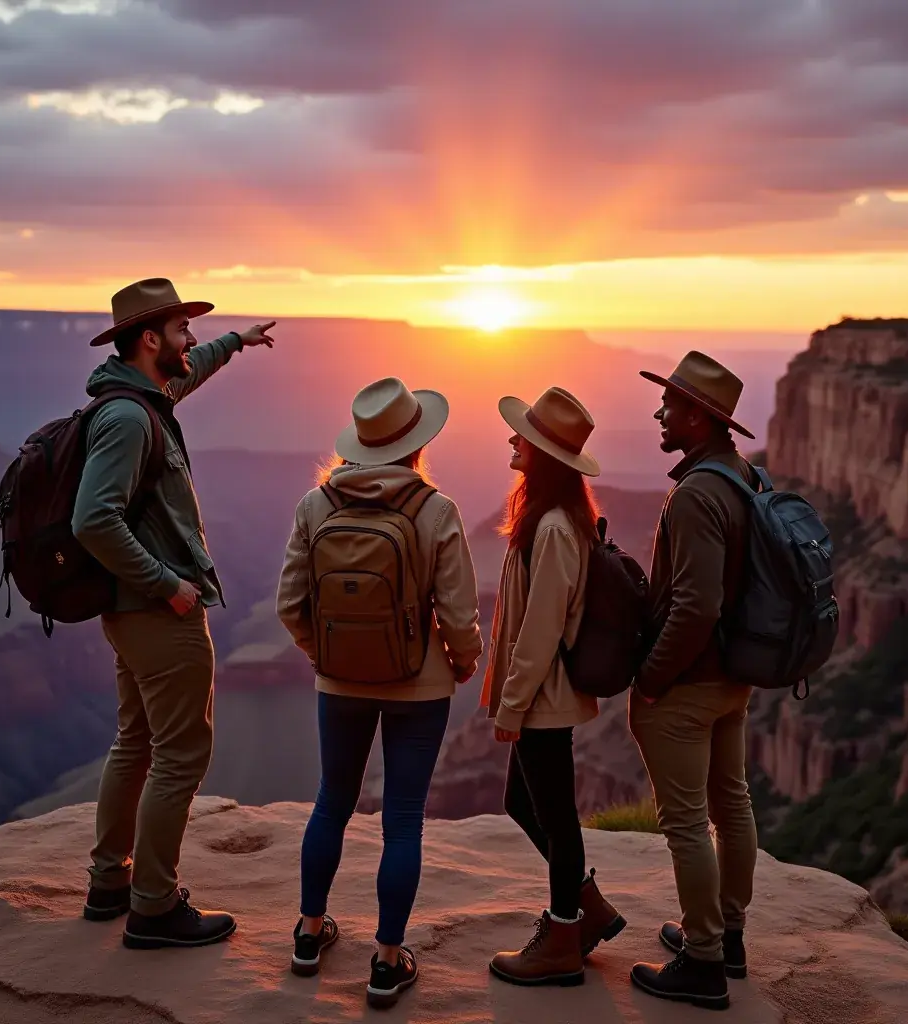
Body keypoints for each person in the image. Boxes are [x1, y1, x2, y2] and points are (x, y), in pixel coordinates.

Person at [74, 277, 277, 949]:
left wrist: (236, 342)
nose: (191, 339)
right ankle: (154, 907)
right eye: (182, 330)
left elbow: (189, 373)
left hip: (132, 612)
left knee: (135, 741)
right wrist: (168, 585)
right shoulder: (131, 419)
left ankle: (110, 882)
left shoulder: (140, 397)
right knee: (181, 755)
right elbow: (92, 520)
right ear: (149, 339)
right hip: (159, 612)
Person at [276, 376, 483, 1010]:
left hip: (339, 683)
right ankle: (387, 964)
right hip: (419, 688)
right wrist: (462, 663)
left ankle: (308, 935)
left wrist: (326, 656)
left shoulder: (316, 505)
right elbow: (459, 614)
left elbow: (290, 604)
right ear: (416, 444)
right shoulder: (437, 511)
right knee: (402, 819)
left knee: (331, 801)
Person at [627, 351, 760, 1011]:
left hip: (689, 684)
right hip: (734, 676)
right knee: (731, 804)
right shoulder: (744, 476)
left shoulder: (696, 495)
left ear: (699, 418)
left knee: (686, 823)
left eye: (671, 405)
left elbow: (695, 606)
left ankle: (703, 962)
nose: (660, 413)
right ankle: (728, 936)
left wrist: (652, 678)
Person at [482, 386, 626, 988]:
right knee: (524, 803)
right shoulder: (550, 519)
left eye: (525, 436)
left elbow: (541, 628)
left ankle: (563, 937)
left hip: (544, 697)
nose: (513, 439)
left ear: (544, 454)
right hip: (541, 694)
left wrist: (511, 705)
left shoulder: (554, 529)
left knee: (557, 817)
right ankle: (587, 908)